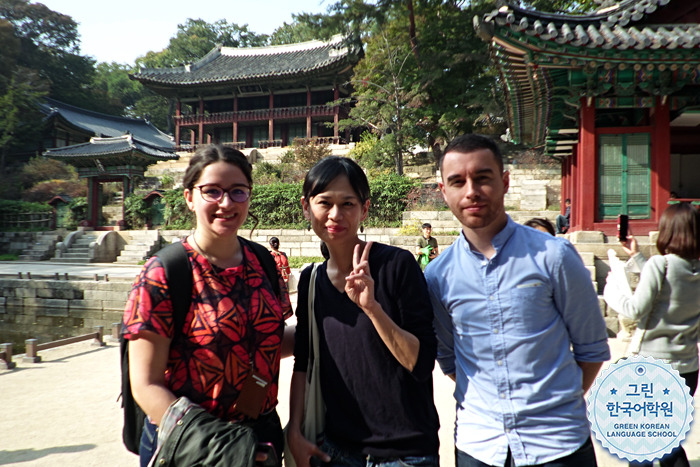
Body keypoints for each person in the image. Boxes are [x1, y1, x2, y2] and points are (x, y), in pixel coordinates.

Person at [425, 134, 610, 467]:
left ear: (505, 181)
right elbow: (450, 359)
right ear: (444, 192)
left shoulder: (554, 257)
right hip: (478, 446)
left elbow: (591, 348)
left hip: (557, 445)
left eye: (483, 178)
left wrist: (553, 404)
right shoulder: (438, 276)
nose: (471, 191)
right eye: (457, 182)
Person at [122, 145, 293, 467]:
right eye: (212, 191)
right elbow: (145, 384)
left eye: (238, 192)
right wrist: (222, 448)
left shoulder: (264, 264)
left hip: (261, 434)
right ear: (189, 197)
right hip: (194, 448)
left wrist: (344, 322)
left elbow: (267, 340)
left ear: (249, 196)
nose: (226, 203)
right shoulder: (164, 273)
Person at [287, 156, 440, 467]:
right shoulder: (310, 280)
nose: (335, 214)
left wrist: (372, 309)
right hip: (336, 450)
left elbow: (420, 363)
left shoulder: (397, 266)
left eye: (347, 203)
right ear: (306, 207)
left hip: (404, 453)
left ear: (364, 209)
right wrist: (293, 428)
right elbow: (303, 360)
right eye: (324, 202)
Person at [604, 202, 700, 467]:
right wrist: (636, 257)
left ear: (668, 231)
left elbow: (635, 309)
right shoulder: (690, 269)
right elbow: (670, 284)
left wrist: (612, 290)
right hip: (688, 366)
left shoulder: (661, 264)